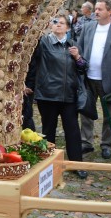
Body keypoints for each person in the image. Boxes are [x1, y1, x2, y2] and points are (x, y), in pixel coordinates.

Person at [26, 15, 87, 179]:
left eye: (61, 23)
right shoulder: (43, 43)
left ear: (68, 27)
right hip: (48, 95)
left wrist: (78, 57)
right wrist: (29, 85)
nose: (58, 25)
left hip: (69, 95)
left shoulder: (73, 43)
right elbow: (30, 62)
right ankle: (47, 165)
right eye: (55, 22)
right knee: (48, 130)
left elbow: (82, 68)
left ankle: (77, 164)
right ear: (50, 26)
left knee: (73, 131)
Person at [76, 0, 111, 159]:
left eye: (100, 9)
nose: (96, 12)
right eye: (96, 9)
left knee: (109, 115)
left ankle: (106, 144)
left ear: (110, 12)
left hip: (109, 81)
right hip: (88, 78)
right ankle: (86, 142)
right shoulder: (88, 27)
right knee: (86, 111)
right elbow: (80, 49)